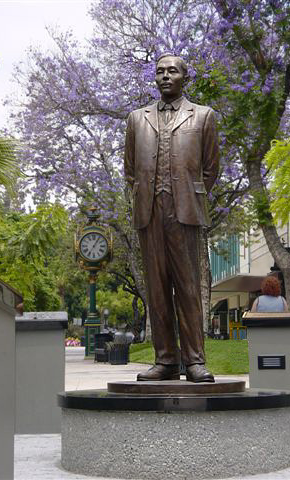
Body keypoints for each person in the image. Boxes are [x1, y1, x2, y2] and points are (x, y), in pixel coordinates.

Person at [124, 53, 219, 382]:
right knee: (157, 288)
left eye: (173, 71)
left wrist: (188, 196)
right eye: (160, 71)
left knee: (188, 287)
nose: (165, 76)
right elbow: (130, 170)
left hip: (184, 211)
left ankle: (194, 360)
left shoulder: (204, 117)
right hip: (149, 212)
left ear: (184, 77)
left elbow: (210, 170)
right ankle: (165, 360)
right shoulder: (137, 119)